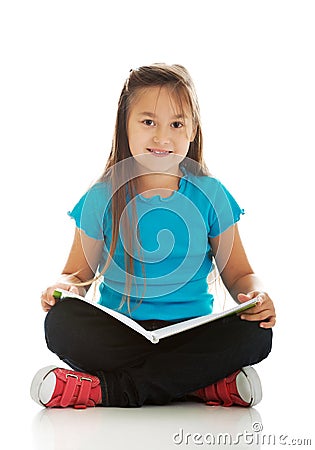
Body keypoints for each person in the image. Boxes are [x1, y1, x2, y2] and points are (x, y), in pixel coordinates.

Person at [30, 63, 276, 409]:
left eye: (176, 124)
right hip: (120, 332)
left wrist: (256, 294)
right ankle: (196, 384)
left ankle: (108, 391)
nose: (163, 137)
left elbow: (238, 274)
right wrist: (65, 287)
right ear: (125, 127)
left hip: (191, 332)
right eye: (148, 122)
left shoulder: (211, 195)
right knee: (61, 323)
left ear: (192, 130)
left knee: (256, 333)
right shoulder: (102, 196)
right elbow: (77, 275)